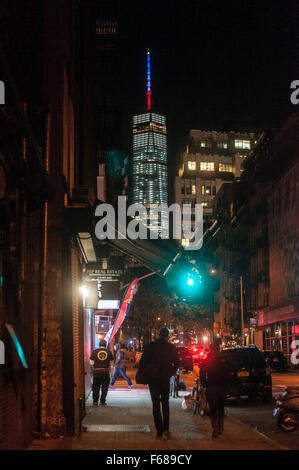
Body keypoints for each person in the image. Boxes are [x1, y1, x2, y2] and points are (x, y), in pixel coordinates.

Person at [138, 327, 179, 439]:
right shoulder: (171, 347)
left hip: (153, 379)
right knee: (165, 403)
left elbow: (142, 362)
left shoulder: (151, 346)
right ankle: (166, 429)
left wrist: (147, 372)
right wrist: (169, 373)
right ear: (167, 336)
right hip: (164, 379)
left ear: (158, 334)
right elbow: (176, 363)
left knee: (156, 404)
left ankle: (159, 432)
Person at [200, 339, 229, 438]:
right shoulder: (223, 359)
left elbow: (202, 372)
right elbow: (228, 372)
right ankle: (220, 427)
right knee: (221, 407)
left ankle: (215, 429)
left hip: (211, 386)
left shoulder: (208, 359)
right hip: (221, 386)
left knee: (213, 408)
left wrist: (204, 383)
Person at [90, 339, 114, 407]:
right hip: (105, 372)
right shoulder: (108, 352)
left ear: (99, 344)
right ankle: (102, 401)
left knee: (96, 387)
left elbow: (91, 363)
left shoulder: (94, 351)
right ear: (105, 345)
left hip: (97, 372)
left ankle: (95, 401)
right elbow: (111, 362)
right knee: (105, 387)